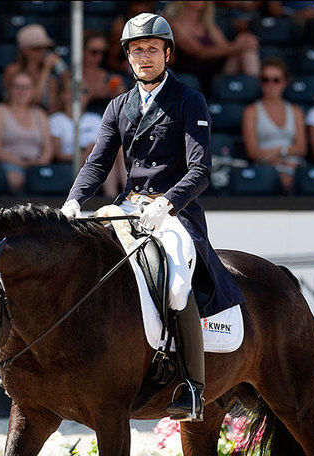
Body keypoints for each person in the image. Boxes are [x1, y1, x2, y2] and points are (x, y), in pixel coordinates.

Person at [60, 13, 246, 422]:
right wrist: (74, 201)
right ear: (128, 58)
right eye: (137, 50)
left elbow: (200, 170)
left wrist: (168, 202)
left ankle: (193, 387)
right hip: (128, 206)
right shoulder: (118, 106)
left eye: (151, 49)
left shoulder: (187, 100)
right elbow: (97, 164)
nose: (144, 57)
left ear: (167, 52)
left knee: (178, 285)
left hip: (174, 212)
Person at [49, 77, 126, 198]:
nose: (79, 95)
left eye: (84, 91)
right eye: (73, 90)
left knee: (117, 148)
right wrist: (85, 153)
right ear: (63, 95)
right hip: (74, 162)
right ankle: (111, 197)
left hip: (99, 159)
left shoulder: (95, 118)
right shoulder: (56, 120)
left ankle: (127, 195)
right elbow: (57, 154)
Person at [163, 1, 260, 97]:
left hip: (214, 69)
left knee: (246, 47)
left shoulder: (207, 24)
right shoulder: (176, 24)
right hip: (191, 71)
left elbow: (225, 46)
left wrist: (242, 42)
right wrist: (237, 46)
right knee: (242, 47)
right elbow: (199, 52)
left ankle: (254, 88)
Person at [241, 57, 307, 193]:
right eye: (266, 80)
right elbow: (252, 151)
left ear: (284, 82)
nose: (271, 84)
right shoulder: (251, 111)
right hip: (265, 166)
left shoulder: (296, 111)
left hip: (293, 165)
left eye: (276, 80)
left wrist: (278, 152)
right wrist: (279, 157)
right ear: (260, 83)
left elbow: (301, 148)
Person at [0, 71, 54, 194]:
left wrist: (40, 163)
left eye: (26, 87)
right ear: (10, 89)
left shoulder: (40, 114)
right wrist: (22, 163)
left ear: (33, 91)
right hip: (8, 165)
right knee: (15, 179)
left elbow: (48, 147)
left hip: (35, 165)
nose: (22, 91)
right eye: (17, 87)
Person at [3, 24, 68, 114]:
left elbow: (52, 109)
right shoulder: (13, 70)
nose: (42, 52)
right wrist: (45, 70)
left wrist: (63, 75)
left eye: (45, 48)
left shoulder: (50, 78)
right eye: (37, 48)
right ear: (25, 50)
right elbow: (32, 101)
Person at [82, 29, 127, 111]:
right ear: (82, 51)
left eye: (103, 52)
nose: (99, 57)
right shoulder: (71, 77)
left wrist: (120, 96)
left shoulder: (110, 78)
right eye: (94, 52)